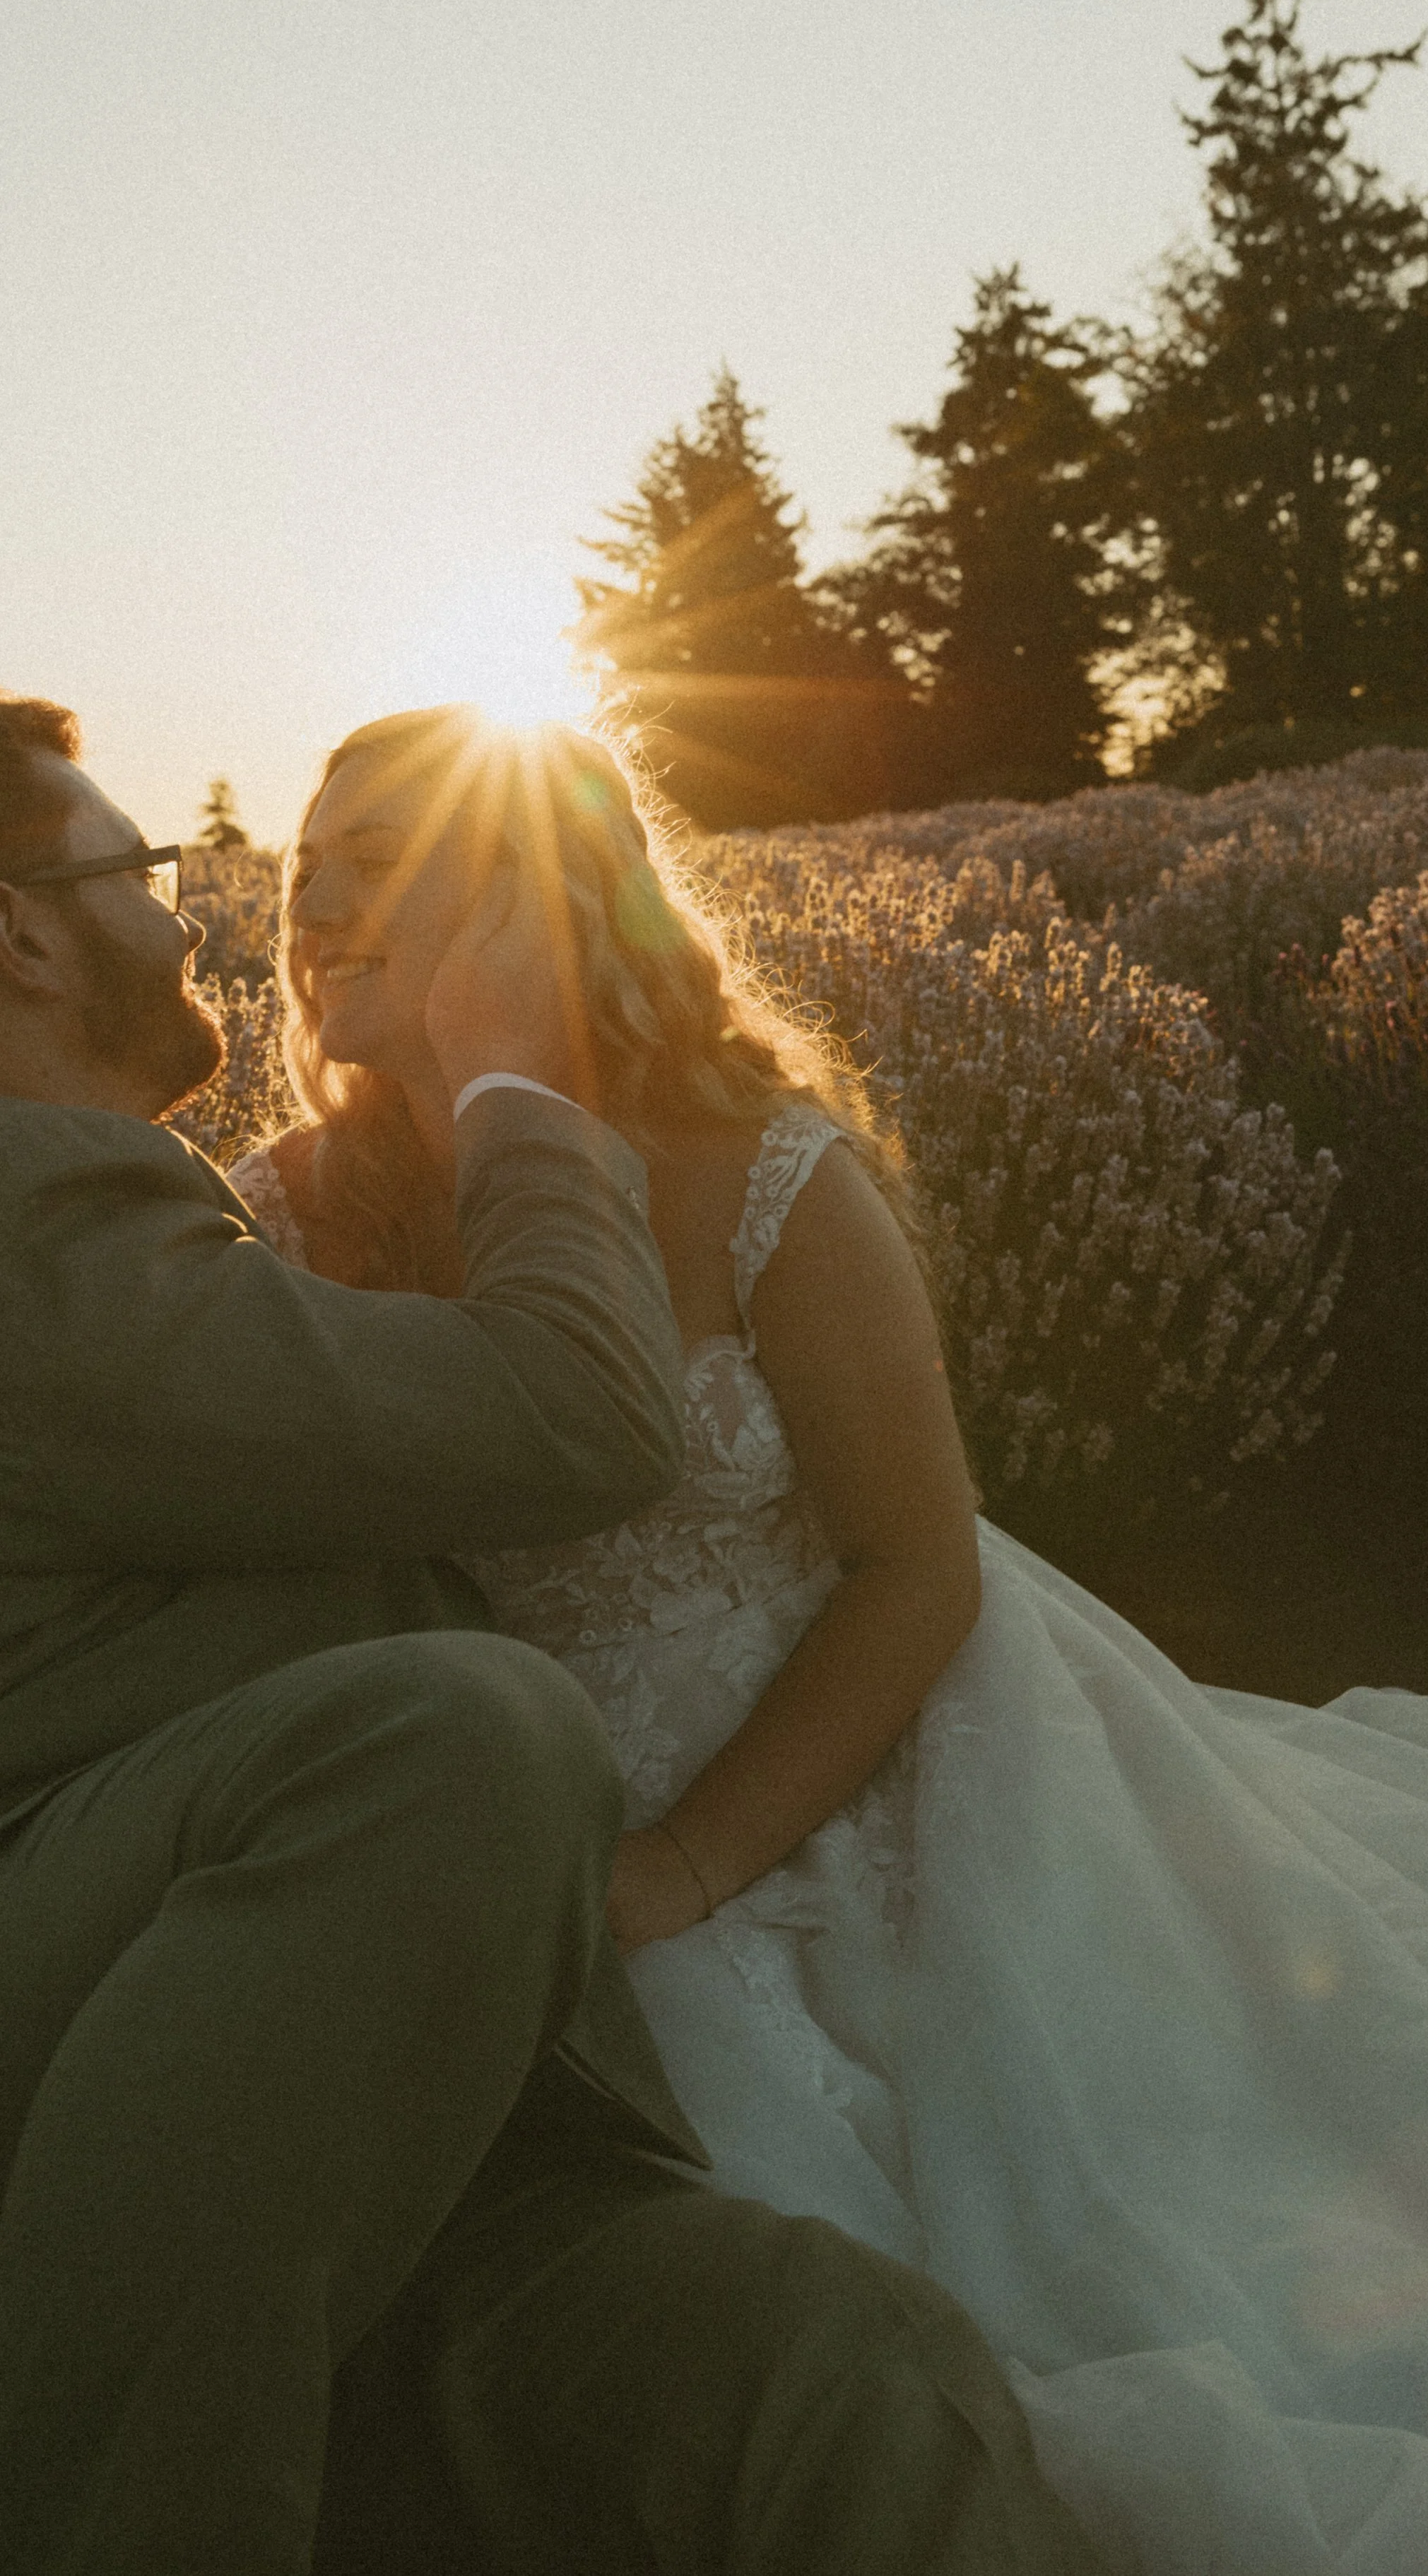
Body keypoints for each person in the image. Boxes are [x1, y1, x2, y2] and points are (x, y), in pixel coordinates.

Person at [238, 705, 1428, 2576]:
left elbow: (912, 1567)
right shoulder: (293, 1221)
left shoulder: (763, 1168)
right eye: (308, 861)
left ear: (520, 897)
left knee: (1107, 2240)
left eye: (373, 856)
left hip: (890, 1746)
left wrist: (697, 1861)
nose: (312, 897)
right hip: (527, 1800)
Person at [0, 692, 1104, 2576]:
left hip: (457, 2085)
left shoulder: (182, 1228)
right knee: (451, 1732)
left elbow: (913, 1554)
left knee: (859, 2369)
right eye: (151, 871)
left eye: (375, 871)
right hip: (119, 2050)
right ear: (23, 934)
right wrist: (515, 1066)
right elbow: (581, 1420)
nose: (223, 910)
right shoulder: (46, 1221)